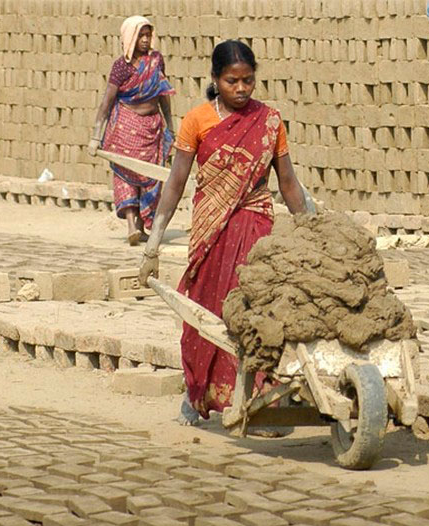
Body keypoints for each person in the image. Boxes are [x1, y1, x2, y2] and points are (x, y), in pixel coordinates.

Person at [139, 40, 309, 425]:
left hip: (255, 225)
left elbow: (288, 183)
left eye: (249, 80)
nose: (242, 89)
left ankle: (259, 398)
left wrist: (312, 229)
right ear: (216, 79)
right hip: (210, 231)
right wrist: (154, 242)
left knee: (255, 311)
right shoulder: (197, 121)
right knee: (204, 311)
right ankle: (197, 392)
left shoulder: (269, 121)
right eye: (233, 81)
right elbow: (176, 181)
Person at [88, 15, 175, 246]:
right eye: (140, 36)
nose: (145, 40)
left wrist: (170, 127)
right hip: (126, 125)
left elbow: (163, 94)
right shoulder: (121, 67)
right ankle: (130, 225)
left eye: (148, 35)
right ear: (130, 38)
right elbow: (107, 101)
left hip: (152, 127)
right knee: (126, 174)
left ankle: (142, 226)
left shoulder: (156, 61)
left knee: (150, 177)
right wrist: (96, 137)